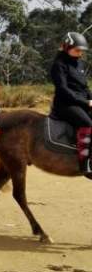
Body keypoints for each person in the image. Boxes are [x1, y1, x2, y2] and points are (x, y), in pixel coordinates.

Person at [50, 32, 92, 175]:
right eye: (77, 50)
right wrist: (86, 102)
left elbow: (84, 87)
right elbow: (63, 89)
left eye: (82, 51)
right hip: (65, 104)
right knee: (87, 123)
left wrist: (90, 98)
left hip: (81, 102)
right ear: (67, 47)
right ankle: (85, 162)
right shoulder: (58, 65)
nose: (80, 53)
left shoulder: (79, 63)